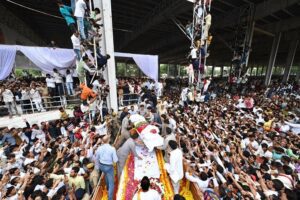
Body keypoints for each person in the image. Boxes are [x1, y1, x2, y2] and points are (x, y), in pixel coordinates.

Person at [95, 135, 118, 200]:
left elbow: (96, 158)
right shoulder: (112, 149)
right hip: (108, 167)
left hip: (101, 166)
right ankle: (110, 198)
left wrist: (97, 167)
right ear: (109, 140)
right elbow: (115, 160)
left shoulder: (99, 148)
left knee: (106, 175)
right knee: (112, 184)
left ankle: (107, 188)